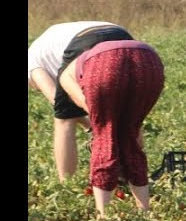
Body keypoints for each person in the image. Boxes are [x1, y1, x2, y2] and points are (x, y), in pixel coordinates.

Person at [28, 21, 134, 180]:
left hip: (85, 42)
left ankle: (66, 183)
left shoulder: (32, 65)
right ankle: (132, 174)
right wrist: (92, 127)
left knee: (64, 120)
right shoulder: (45, 46)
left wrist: (94, 126)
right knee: (128, 114)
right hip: (124, 37)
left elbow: (59, 103)